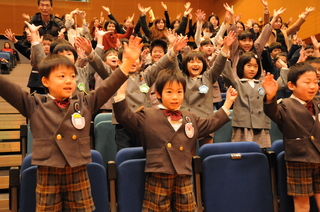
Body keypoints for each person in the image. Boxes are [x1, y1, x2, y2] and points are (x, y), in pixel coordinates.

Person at [0, 36, 143, 211]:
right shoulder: (34, 104)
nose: (69, 81)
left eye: (72, 76)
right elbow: (6, 88)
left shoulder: (84, 102)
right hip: (48, 172)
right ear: (45, 81)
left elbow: (109, 86)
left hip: (78, 169)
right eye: (61, 76)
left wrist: (128, 62)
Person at [113, 68, 238, 211]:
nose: (175, 97)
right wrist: (121, 93)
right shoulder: (147, 115)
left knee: (187, 209)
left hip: (184, 173)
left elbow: (211, 123)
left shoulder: (190, 116)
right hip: (158, 172)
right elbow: (124, 116)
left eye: (179, 92)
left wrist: (228, 102)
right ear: (158, 94)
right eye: (169, 92)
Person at [263, 62, 320, 212]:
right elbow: (273, 112)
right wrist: (270, 96)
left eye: (315, 82)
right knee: (301, 203)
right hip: (299, 158)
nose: (313, 86)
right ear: (291, 85)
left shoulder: (318, 102)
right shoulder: (285, 105)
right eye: (307, 82)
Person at [222, 52, 289, 150]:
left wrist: (284, 68)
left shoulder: (263, 84)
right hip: (243, 125)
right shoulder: (237, 83)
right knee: (243, 151)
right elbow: (227, 75)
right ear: (241, 67)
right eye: (248, 65)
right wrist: (226, 59)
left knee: (261, 151)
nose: (252, 69)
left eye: (255, 66)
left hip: (261, 124)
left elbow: (281, 83)